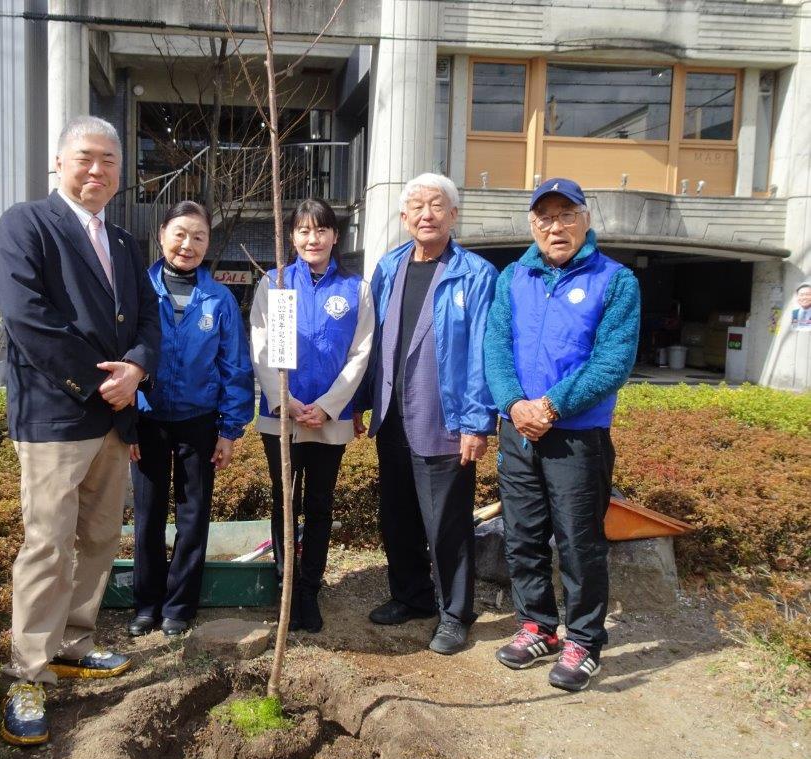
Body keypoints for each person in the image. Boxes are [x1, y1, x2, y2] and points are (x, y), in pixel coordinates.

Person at [0, 116, 161, 745]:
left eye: (110, 160)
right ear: (58, 164)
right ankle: (28, 673)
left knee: (96, 538)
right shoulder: (27, 224)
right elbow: (25, 317)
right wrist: (98, 382)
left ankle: (74, 642)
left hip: (114, 418)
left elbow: (145, 315)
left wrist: (138, 368)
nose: (98, 170)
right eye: (86, 157)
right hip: (56, 415)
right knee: (47, 545)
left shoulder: (122, 240)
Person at [484, 177, 640, 692]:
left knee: (579, 542)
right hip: (518, 432)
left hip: (577, 435)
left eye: (567, 215)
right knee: (523, 536)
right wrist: (513, 403)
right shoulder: (513, 277)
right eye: (546, 217)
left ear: (586, 219)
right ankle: (537, 626)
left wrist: (550, 406)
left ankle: (585, 639)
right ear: (532, 224)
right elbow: (496, 349)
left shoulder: (615, 281)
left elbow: (612, 362)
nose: (557, 226)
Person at [354, 172, 498, 655]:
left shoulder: (476, 274)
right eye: (416, 206)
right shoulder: (389, 266)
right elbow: (371, 344)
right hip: (393, 413)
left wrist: (478, 422)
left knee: (447, 523)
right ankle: (411, 596)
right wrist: (360, 403)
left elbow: (483, 351)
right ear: (403, 217)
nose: (426, 214)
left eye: (436, 205)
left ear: (453, 215)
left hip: (445, 417)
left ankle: (455, 612)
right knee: (397, 515)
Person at [127, 201, 254, 638]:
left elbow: (235, 367)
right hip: (147, 421)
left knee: (193, 515)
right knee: (147, 515)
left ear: (208, 244)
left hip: (199, 423)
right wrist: (126, 425)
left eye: (199, 237)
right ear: (162, 235)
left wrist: (229, 430)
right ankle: (147, 604)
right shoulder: (137, 290)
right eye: (180, 234)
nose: (188, 244)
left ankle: (179, 606)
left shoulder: (218, 299)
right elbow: (120, 359)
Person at [250, 198, 374, 632]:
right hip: (280, 416)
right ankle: (286, 587)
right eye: (303, 231)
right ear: (292, 237)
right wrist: (284, 400)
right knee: (284, 502)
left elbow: (361, 352)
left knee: (319, 504)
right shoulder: (276, 283)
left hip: (329, 417)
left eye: (320, 230)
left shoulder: (355, 289)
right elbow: (262, 346)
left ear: (335, 236)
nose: (312, 238)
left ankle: (310, 590)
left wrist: (327, 405)